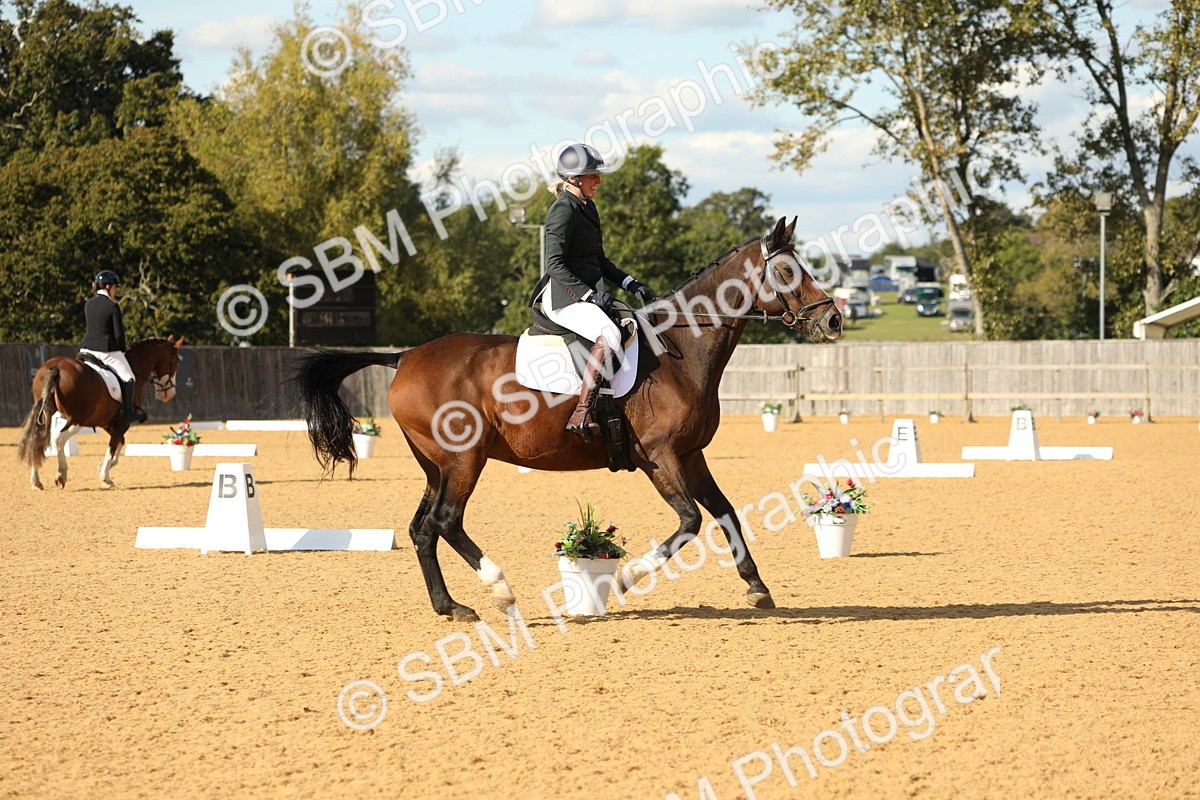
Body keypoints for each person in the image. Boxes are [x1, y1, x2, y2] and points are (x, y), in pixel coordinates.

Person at [534, 142, 656, 440]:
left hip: (584, 294)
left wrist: (630, 283)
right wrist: (589, 296)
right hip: (564, 296)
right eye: (592, 175)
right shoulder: (563, 211)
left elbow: (598, 261)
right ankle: (582, 412)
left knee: (629, 324)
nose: (598, 180)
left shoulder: (586, 207)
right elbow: (554, 265)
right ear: (574, 178)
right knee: (611, 334)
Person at [79, 270, 145, 424]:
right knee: (129, 377)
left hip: (86, 348)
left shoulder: (88, 304)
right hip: (106, 350)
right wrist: (122, 350)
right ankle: (128, 412)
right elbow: (119, 334)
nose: (116, 291)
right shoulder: (112, 306)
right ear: (108, 286)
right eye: (115, 287)